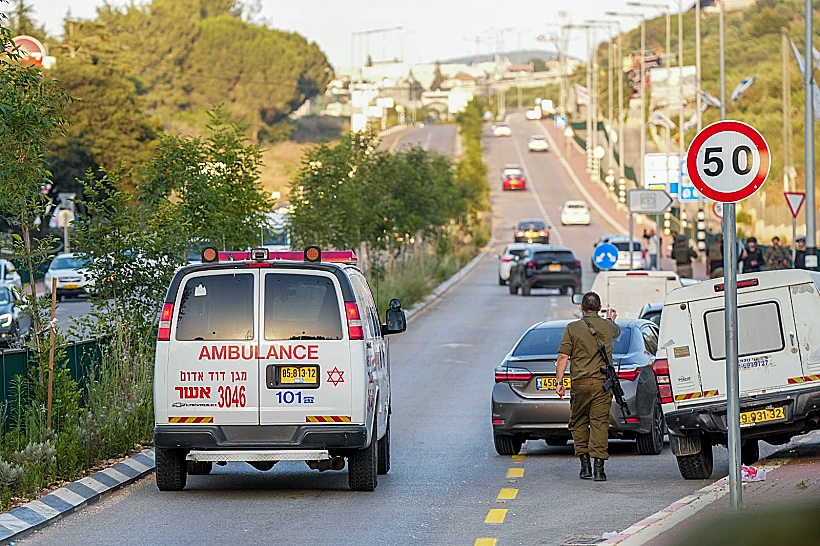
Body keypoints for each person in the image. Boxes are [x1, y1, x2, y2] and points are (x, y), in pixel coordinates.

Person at [555, 292, 620, 482]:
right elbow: (615, 330)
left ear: (581, 308)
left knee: (578, 422)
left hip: (580, 385)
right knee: (599, 423)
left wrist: (559, 382)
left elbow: (563, 357)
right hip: (602, 385)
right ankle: (599, 469)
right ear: (599, 308)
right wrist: (610, 319)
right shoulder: (608, 327)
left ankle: (585, 466)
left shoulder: (572, 328)